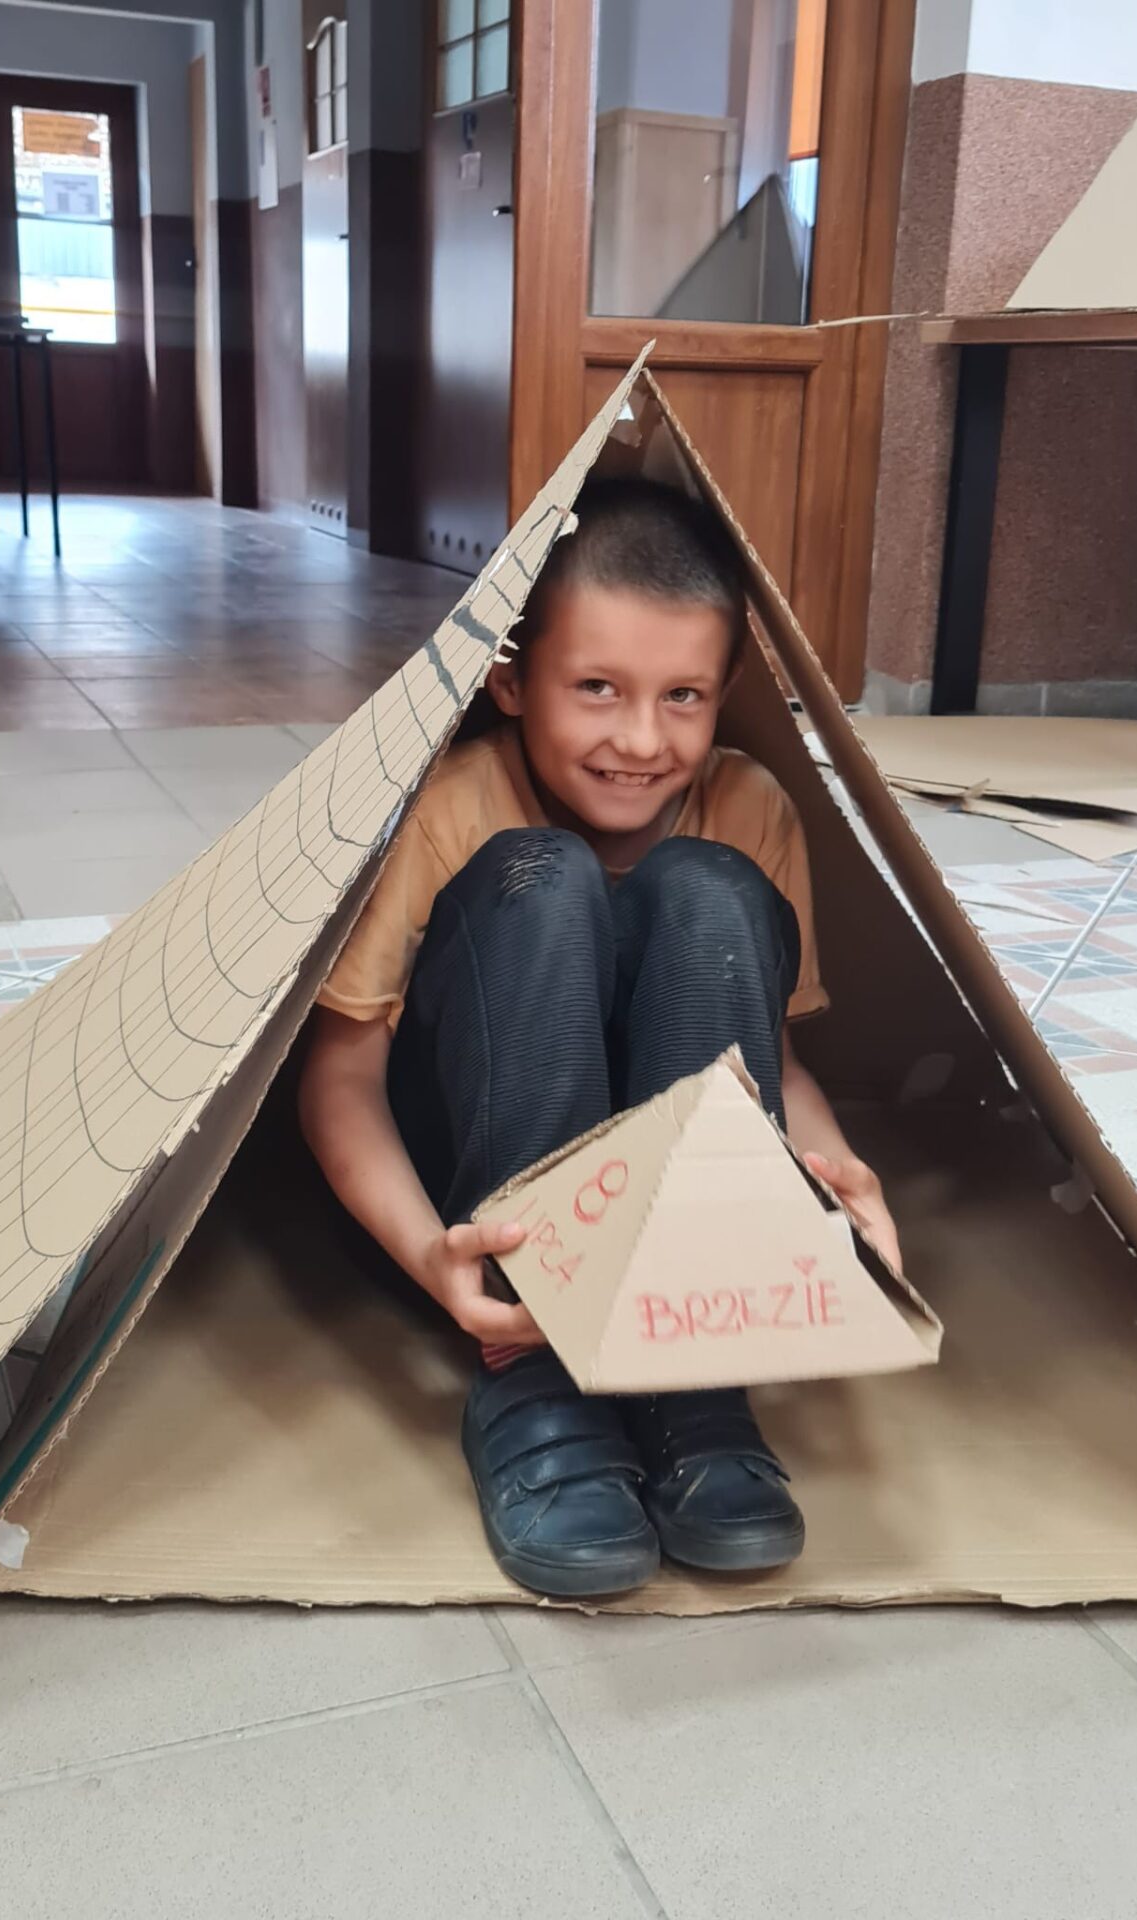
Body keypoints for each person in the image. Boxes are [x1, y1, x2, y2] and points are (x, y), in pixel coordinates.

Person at [298, 475, 902, 1599]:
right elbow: (340, 1078)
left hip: (673, 1222)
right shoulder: (449, 805)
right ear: (511, 682)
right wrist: (433, 1258)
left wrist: (837, 1186)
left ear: (725, 693)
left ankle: (691, 1373)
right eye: (596, 688)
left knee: (709, 889)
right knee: (542, 877)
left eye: (684, 696)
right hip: (481, 1196)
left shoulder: (751, 809)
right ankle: (534, 1380)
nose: (640, 739)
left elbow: (775, 1065)